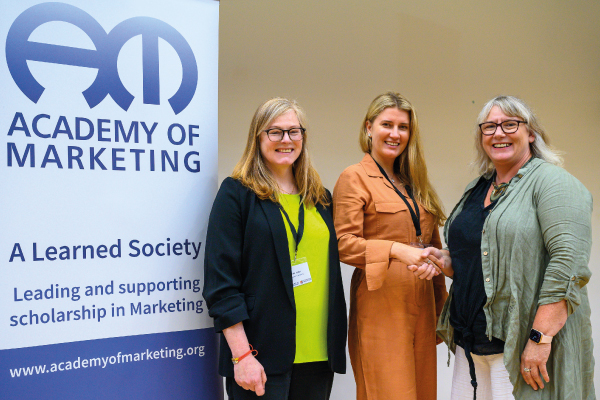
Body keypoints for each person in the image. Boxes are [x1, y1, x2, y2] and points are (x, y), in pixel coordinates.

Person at [430, 95, 594, 399]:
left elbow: (567, 266)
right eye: (489, 126)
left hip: (520, 348)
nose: (499, 133)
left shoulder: (553, 183)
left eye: (510, 124)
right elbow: (483, 260)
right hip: (471, 344)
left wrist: (538, 340)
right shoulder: (477, 188)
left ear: (530, 133)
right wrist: (446, 260)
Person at [202, 98, 347, 400]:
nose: (286, 140)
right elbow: (221, 285)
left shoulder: (320, 199)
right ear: (258, 137)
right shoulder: (237, 194)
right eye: (275, 132)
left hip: (318, 355)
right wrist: (241, 356)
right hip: (260, 356)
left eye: (294, 131)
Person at [333, 92, 451, 400]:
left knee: (424, 393)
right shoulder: (355, 177)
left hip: (423, 307)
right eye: (387, 124)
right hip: (381, 307)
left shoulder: (415, 182)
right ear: (369, 127)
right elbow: (343, 245)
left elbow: (433, 246)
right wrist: (396, 250)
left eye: (403, 127)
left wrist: (442, 311)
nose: (395, 134)